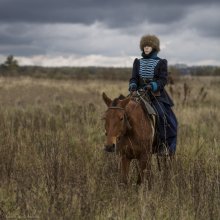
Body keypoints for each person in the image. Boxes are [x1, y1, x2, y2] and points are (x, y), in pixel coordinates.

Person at [129, 34, 178, 156]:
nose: (146, 48)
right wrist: (133, 85)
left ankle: (163, 145)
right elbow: (133, 77)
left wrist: (153, 85)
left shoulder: (161, 62)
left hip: (155, 95)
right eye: (145, 46)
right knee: (121, 111)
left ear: (154, 47)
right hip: (139, 93)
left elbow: (163, 80)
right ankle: (120, 143)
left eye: (149, 46)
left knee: (162, 115)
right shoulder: (137, 62)